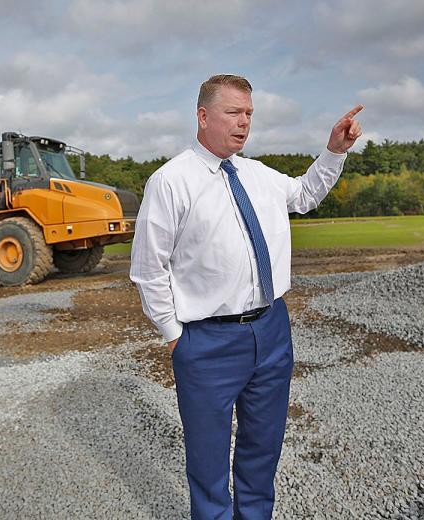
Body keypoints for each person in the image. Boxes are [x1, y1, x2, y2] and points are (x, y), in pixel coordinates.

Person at [129, 74, 362, 519]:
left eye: (249, 114)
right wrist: (174, 334)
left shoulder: (259, 175)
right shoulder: (171, 181)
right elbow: (147, 268)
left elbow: (306, 194)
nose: (244, 123)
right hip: (207, 341)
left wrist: (334, 151)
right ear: (202, 116)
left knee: (262, 447)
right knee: (208, 459)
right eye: (233, 113)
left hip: (272, 330)